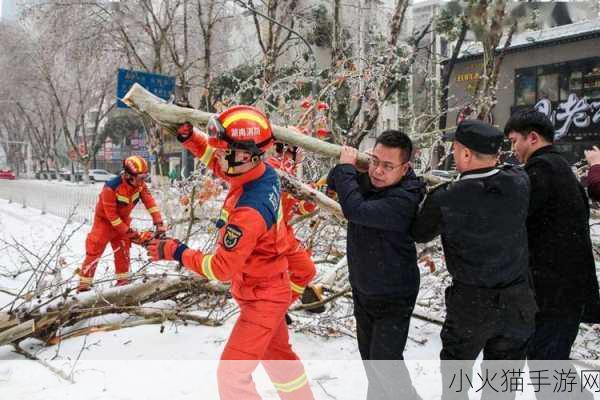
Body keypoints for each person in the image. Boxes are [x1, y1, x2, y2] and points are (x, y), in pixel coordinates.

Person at [146, 105, 314, 400]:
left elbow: (221, 268)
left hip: (263, 297)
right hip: (265, 288)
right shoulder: (261, 172)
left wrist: (176, 251)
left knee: (232, 374)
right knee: (278, 357)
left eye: (227, 153)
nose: (221, 159)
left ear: (248, 154)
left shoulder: (250, 210)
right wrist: (191, 139)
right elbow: (216, 161)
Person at [412, 120, 536, 400]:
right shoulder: (518, 183)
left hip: (471, 304)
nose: (454, 155)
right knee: (502, 388)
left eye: (455, 150)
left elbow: (419, 233)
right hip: (517, 303)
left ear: (466, 154)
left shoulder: (447, 198)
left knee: (456, 381)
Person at [326, 130, 425, 400]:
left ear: (405, 169)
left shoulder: (404, 199)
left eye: (388, 166)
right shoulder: (372, 182)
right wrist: (350, 168)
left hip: (394, 296)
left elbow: (355, 210)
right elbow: (335, 178)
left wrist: (348, 169)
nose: (378, 171)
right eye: (374, 161)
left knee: (385, 364)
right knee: (373, 365)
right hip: (364, 290)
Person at [504, 109, 600, 361]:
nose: (512, 148)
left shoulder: (540, 173)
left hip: (553, 296)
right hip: (564, 293)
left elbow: (512, 227)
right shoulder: (559, 168)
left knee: (546, 368)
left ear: (532, 138)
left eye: (515, 141)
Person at [78, 155, 165, 292]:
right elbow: (112, 218)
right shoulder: (110, 188)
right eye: (141, 177)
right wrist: (133, 234)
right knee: (93, 253)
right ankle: (83, 287)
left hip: (123, 223)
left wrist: (159, 222)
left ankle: (122, 286)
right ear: (130, 176)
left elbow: (150, 202)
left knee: (123, 254)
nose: (143, 181)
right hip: (104, 224)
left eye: (144, 177)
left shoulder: (140, 186)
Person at [266, 138, 324, 314]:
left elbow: (296, 208)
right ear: (291, 149)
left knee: (305, 270)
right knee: (295, 271)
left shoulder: (288, 170)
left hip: (283, 233)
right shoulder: (273, 167)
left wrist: (315, 195)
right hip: (270, 235)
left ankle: (278, 310)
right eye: (300, 149)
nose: (302, 154)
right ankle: (273, 311)